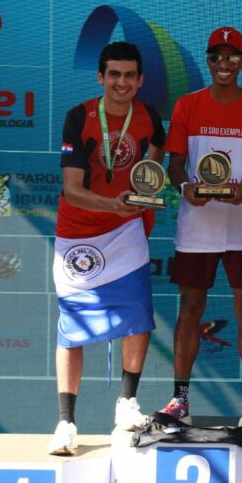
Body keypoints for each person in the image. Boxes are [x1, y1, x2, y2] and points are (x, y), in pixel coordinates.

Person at [159, 26, 242, 433]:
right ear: (208, 61)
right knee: (189, 309)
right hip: (198, 228)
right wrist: (184, 187)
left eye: (232, 57)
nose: (224, 64)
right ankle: (180, 400)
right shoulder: (187, 106)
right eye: (216, 57)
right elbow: (174, 164)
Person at [48, 41, 166, 455]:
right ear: (101, 77)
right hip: (79, 232)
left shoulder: (150, 118)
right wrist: (113, 205)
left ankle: (127, 404)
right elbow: (73, 191)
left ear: (140, 80)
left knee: (138, 317)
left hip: (126, 231)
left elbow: (150, 176)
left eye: (129, 75)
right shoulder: (78, 117)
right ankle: (66, 422)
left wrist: (136, 203)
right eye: (113, 74)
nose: (121, 82)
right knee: (72, 328)